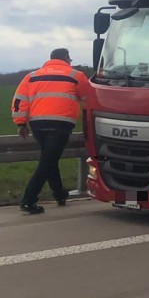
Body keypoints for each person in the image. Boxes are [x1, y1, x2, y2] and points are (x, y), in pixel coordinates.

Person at [11, 48, 93, 214]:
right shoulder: (75, 75)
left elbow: (19, 101)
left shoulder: (31, 76)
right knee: (47, 161)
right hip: (61, 123)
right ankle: (28, 200)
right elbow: (89, 98)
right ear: (65, 58)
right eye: (69, 58)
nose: (70, 61)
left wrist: (21, 123)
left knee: (49, 158)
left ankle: (59, 194)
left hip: (37, 124)